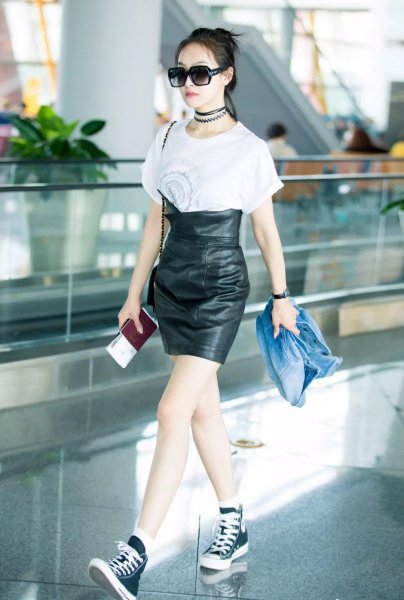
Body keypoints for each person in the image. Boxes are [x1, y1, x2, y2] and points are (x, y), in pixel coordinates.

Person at [88, 26, 299, 600]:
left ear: (226, 76)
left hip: (220, 289)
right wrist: (134, 294)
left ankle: (136, 551)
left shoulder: (249, 149)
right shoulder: (166, 138)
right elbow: (154, 225)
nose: (188, 83)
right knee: (203, 412)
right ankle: (233, 520)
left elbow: (265, 232)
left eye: (200, 72)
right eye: (179, 72)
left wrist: (281, 298)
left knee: (172, 410)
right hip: (172, 288)